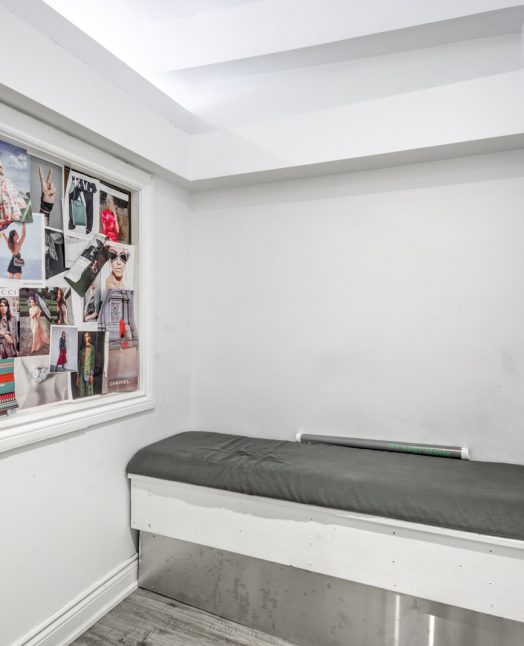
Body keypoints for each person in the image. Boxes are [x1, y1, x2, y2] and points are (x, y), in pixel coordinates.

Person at [77, 331, 95, 397]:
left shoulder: (92, 347)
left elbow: (92, 362)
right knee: (81, 392)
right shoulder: (81, 348)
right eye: (84, 337)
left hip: (88, 372)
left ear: (89, 337)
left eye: (87, 336)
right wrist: (78, 376)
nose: (85, 338)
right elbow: (79, 362)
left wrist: (91, 375)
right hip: (81, 373)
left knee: (89, 392)